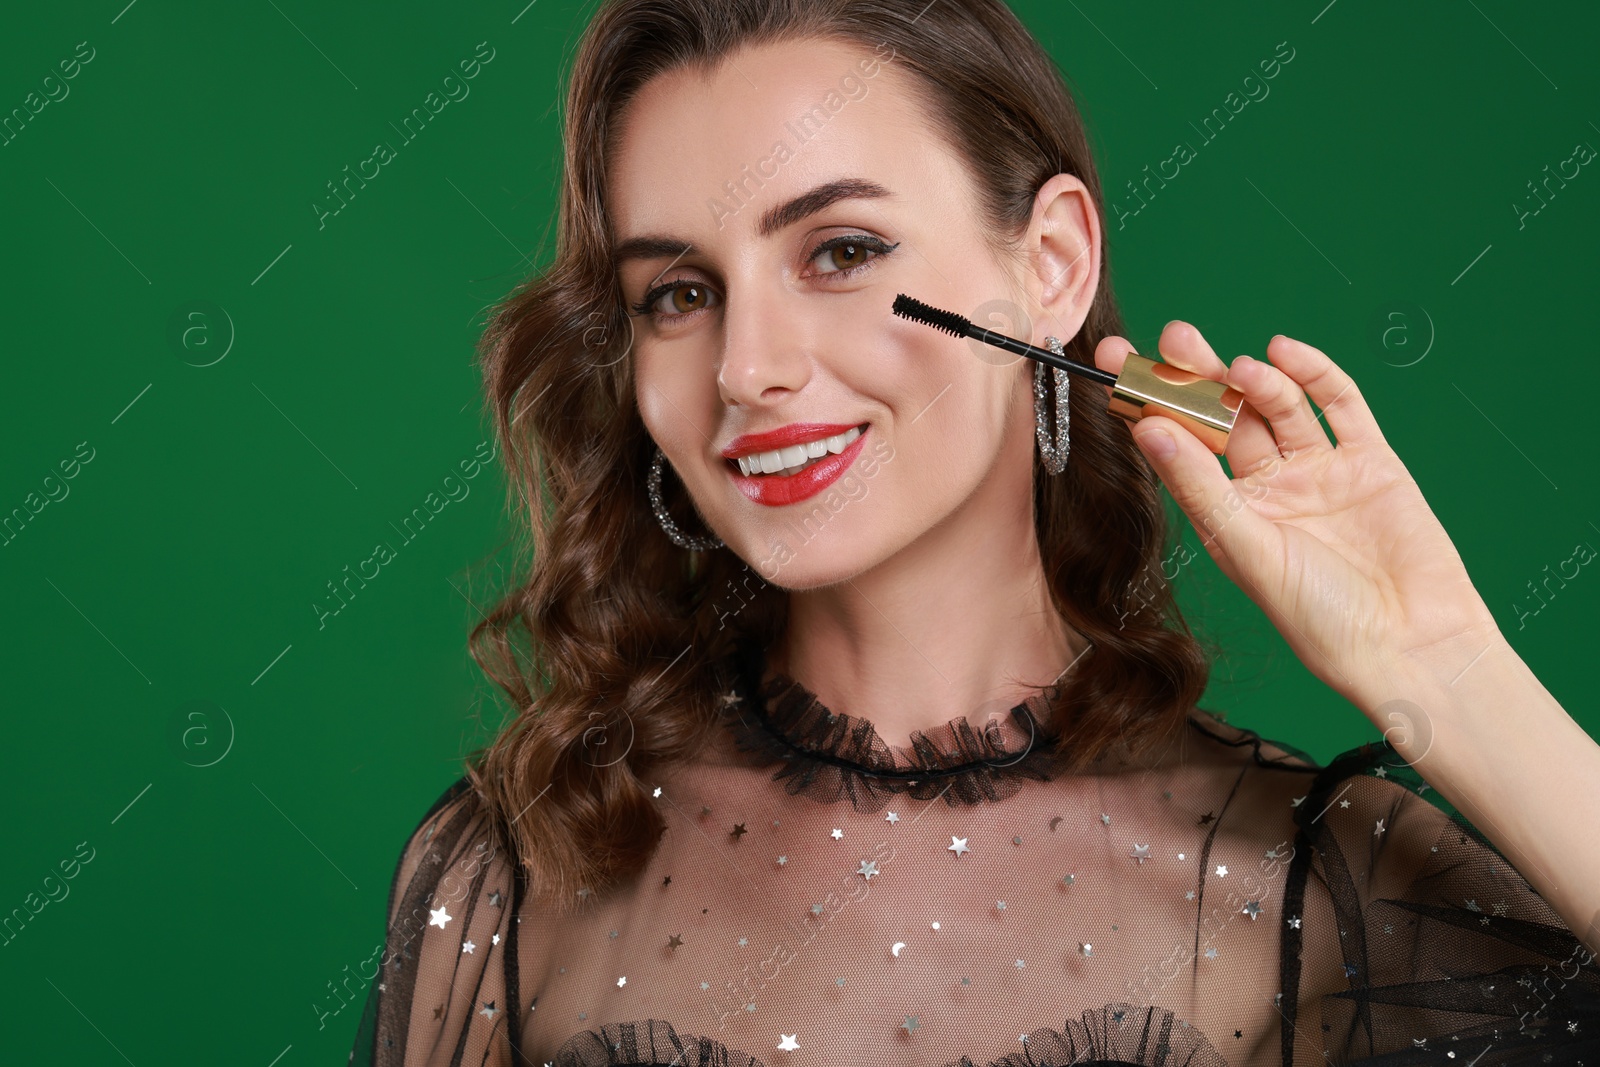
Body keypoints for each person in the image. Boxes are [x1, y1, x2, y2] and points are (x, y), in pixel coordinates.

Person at [349, 1, 1600, 1063]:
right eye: (677, 293)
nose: (748, 366)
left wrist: (1446, 668)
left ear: (1048, 266)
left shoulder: (1317, 882)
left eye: (839, 250)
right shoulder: (517, 870)